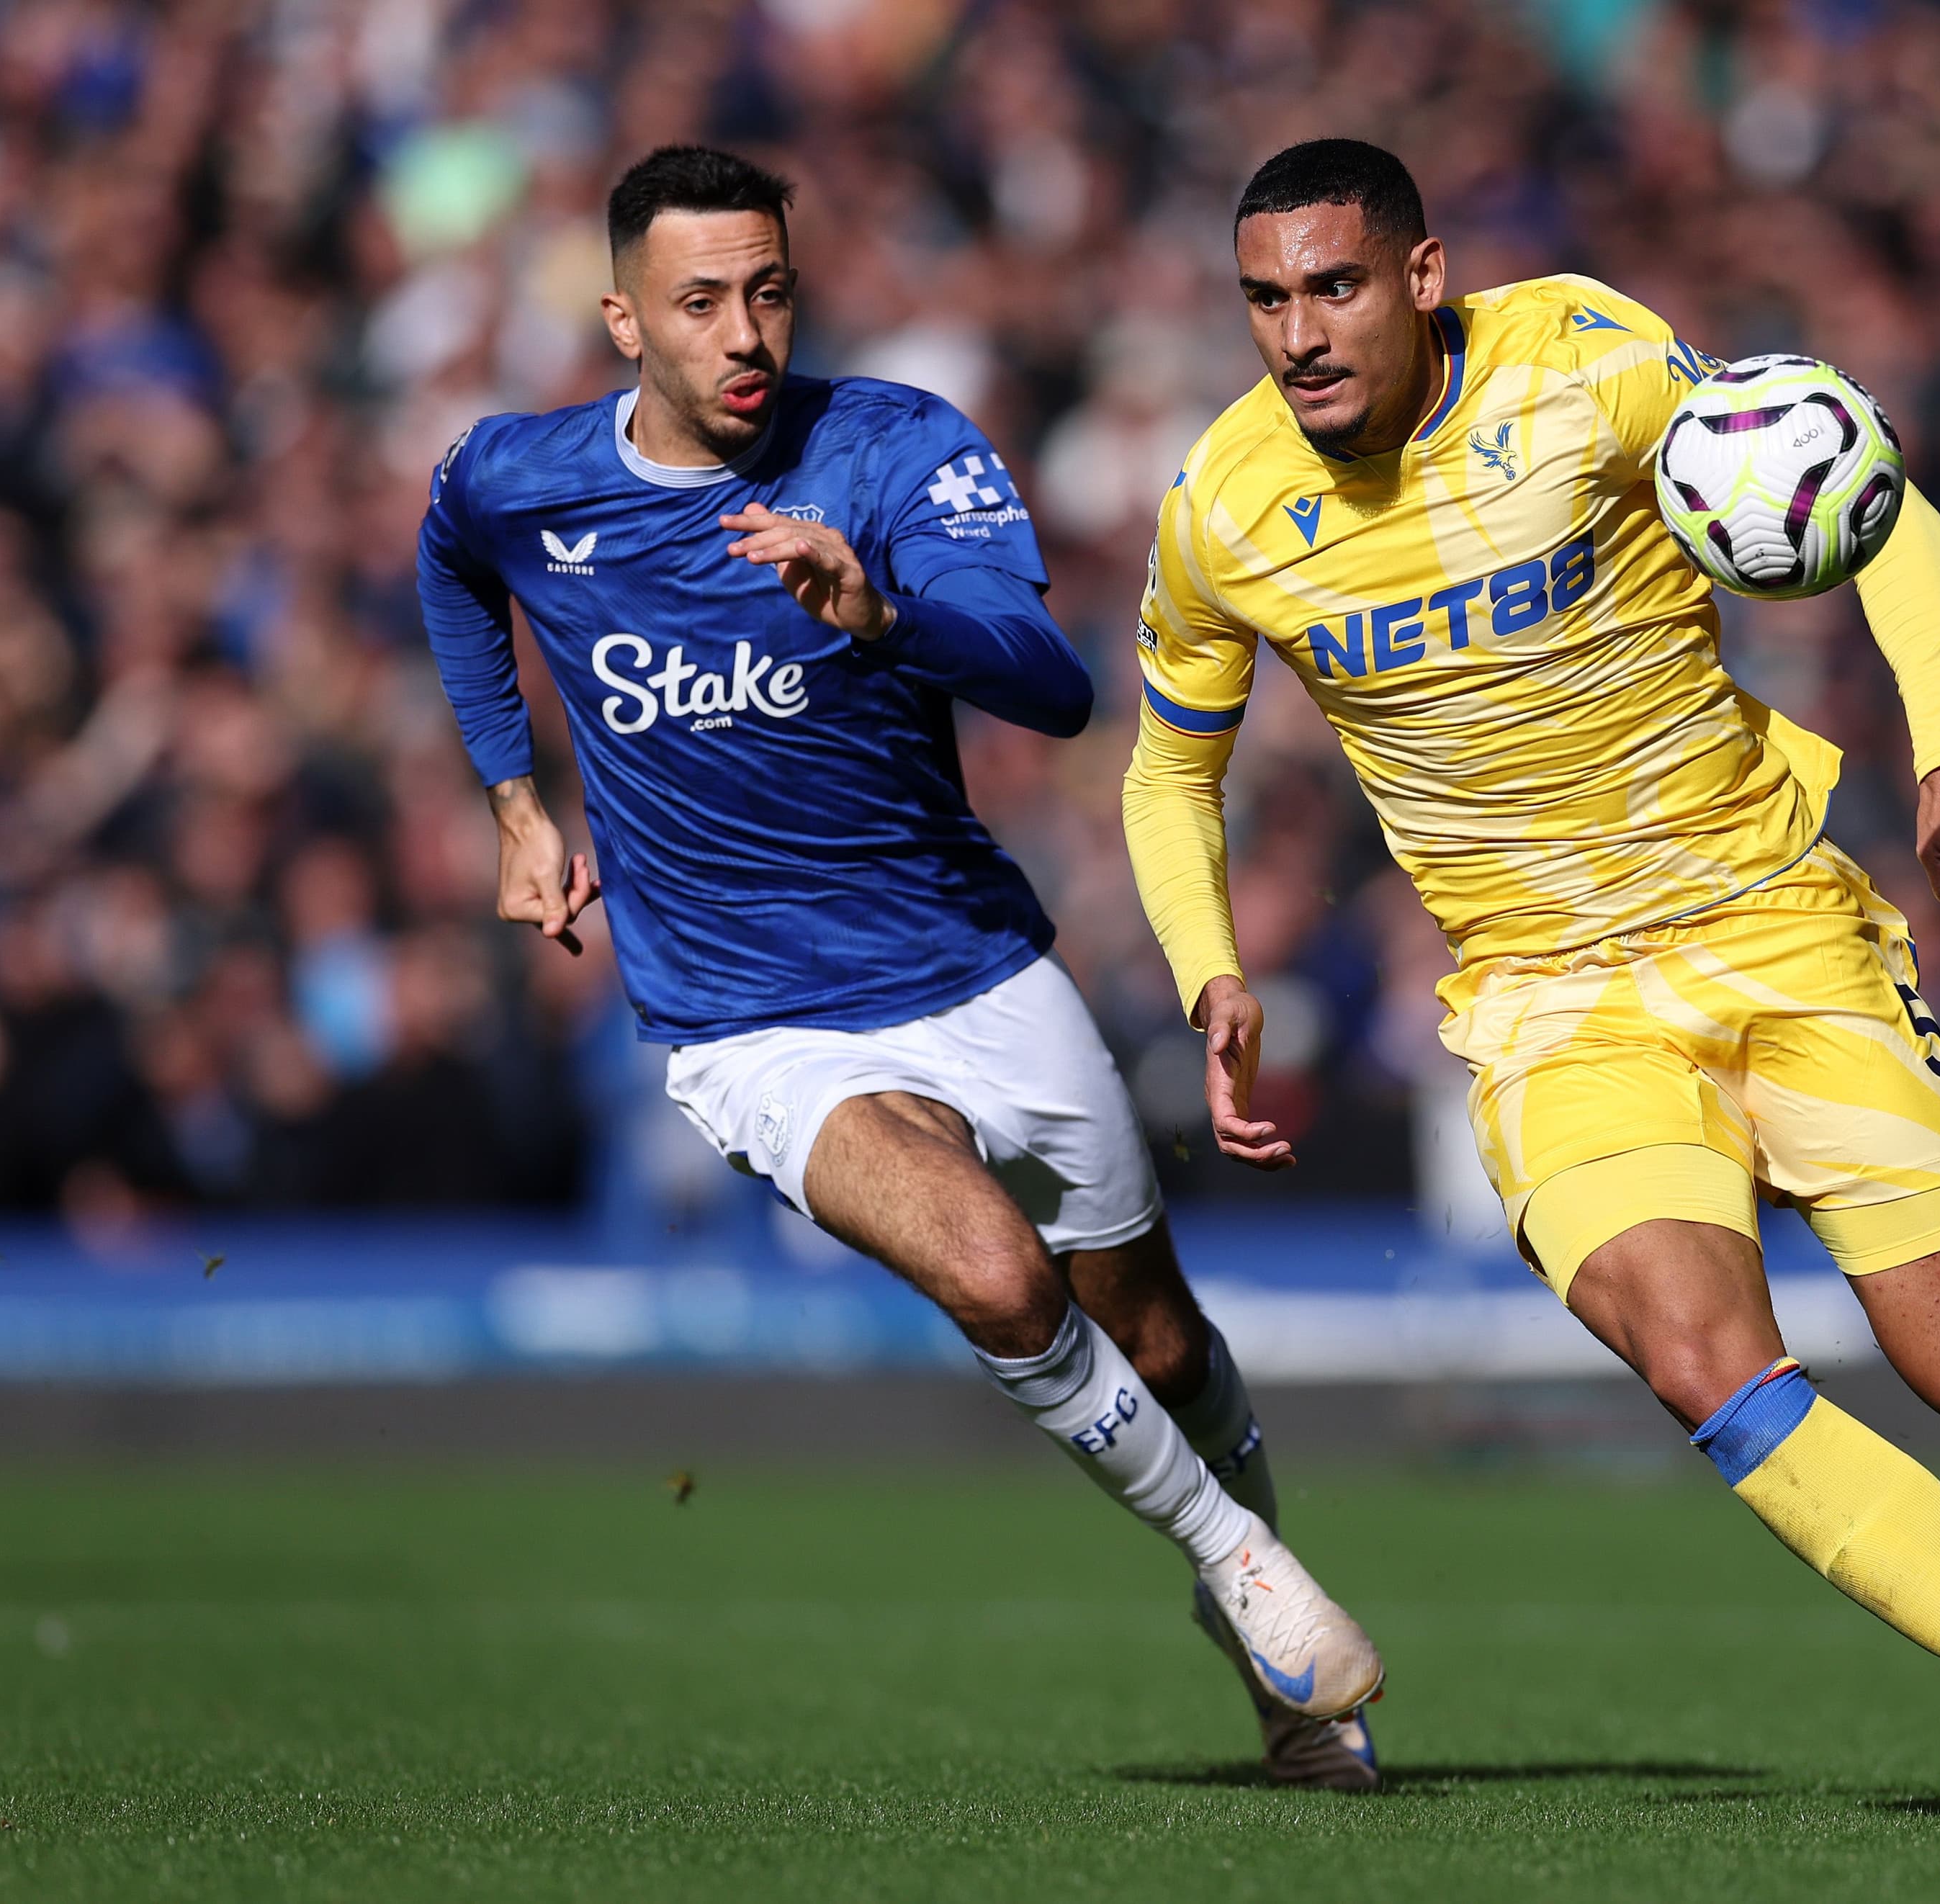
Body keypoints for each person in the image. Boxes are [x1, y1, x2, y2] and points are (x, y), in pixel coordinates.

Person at [1123, 138, 1940, 1826]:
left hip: (1770, 921)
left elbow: (1877, 502)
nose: (1299, 334)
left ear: (1422, 276)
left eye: (1335, 286)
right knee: (1703, 1355)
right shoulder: (1225, 505)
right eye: (1265, 299)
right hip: (1547, 998)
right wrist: (1212, 969)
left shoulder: (1589, 359)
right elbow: (1166, 770)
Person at [415, 143, 1383, 1784]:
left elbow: (1052, 684)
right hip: (749, 1022)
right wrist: (514, 800)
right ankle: (1247, 1576)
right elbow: (448, 555)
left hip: (973, 971)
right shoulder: (523, 476)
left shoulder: (893, 447)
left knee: (1158, 1345)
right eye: (700, 302)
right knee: (996, 1275)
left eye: (769, 293)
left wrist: (882, 618)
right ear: (622, 320)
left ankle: (1249, 1589)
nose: (745, 334)